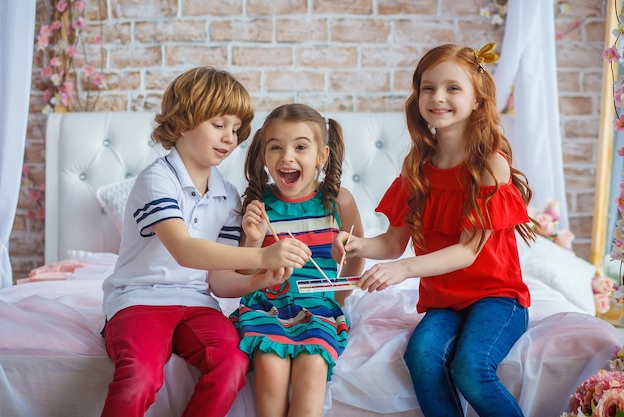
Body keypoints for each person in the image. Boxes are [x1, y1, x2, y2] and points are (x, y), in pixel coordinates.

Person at [332, 43, 536, 417]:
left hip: (497, 297)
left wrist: (405, 269)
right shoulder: (418, 168)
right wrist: (358, 244)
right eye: (428, 88)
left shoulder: (490, 165)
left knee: (470, 368)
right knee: (421, 356)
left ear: (477, 100)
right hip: (445, 301)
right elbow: (394, 242)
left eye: (452, 88)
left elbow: (467, 251)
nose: (437, 97)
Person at [100, 67, 311, 417]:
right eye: (219, 124)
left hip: (197, 303)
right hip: (139, 300)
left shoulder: (228, 196)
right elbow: (185, 250)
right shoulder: (157, 179)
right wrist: (263, 256)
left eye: (236, 129)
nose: (230, 137)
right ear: (183, 121)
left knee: (233, 363)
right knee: (140, 375)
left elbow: (218, 278)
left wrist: (257, 279)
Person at [227, 103, 365, 417]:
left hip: (319, 306)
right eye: (275, 147)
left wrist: (339, 290)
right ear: (264, 156)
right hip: (267, 305)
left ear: (322, 155)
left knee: (314, 364)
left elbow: (356, 262)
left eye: (300, 147)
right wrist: (251, 238)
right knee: (271, 367)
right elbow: (244, 271)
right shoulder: (258, 205)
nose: (287, 156)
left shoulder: (338, 201)